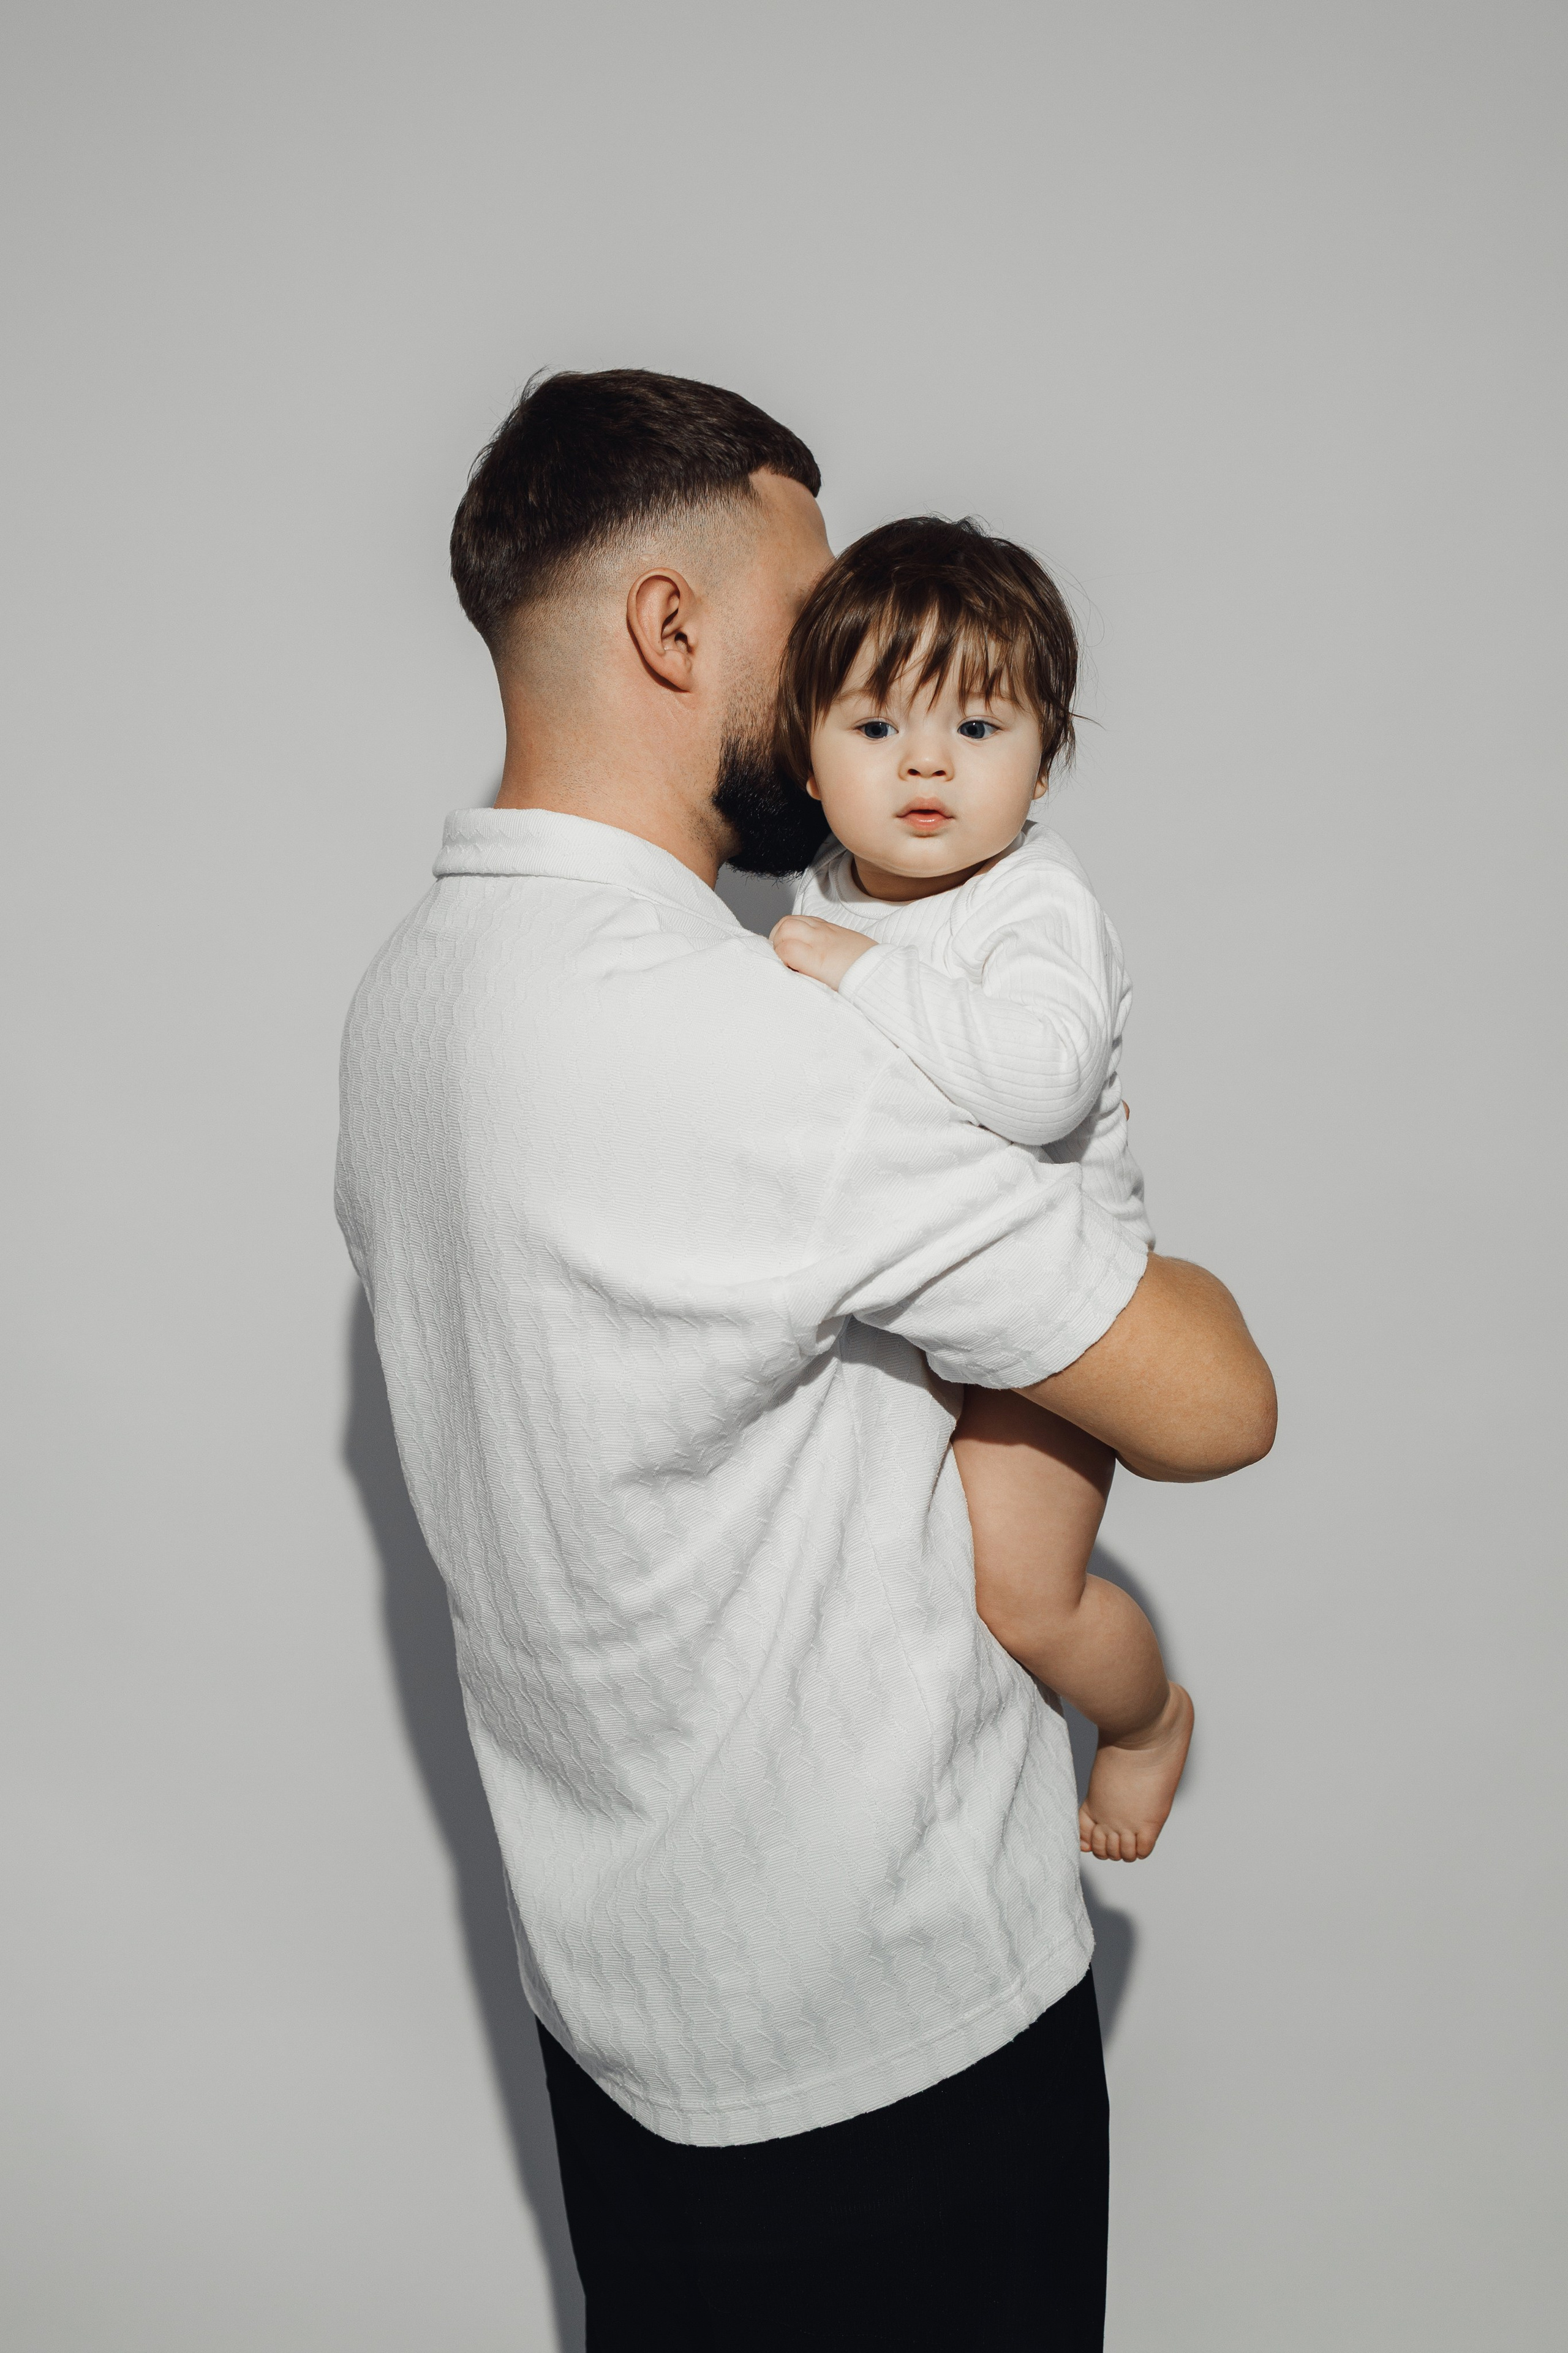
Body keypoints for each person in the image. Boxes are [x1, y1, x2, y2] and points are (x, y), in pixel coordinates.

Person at [335, 367, 1275, 2349]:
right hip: (894, 2035)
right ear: (674, 628)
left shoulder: (409, 999)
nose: (854, 651)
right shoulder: (750, 1042)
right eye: (813, 601)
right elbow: (1214, 1401)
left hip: (625, 2033)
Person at [770, 516, 1191, 1866]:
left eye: (977, 725)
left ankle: (1146, 1718)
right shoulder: (819, 890)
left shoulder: (1030, 900)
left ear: (1043, 760)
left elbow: (1040, 1083)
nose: (927, 763)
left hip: (1047, 1314)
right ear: (807, 755)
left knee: (1022, 1594)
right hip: (906, 1302)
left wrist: (855, 970)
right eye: (876, 726)